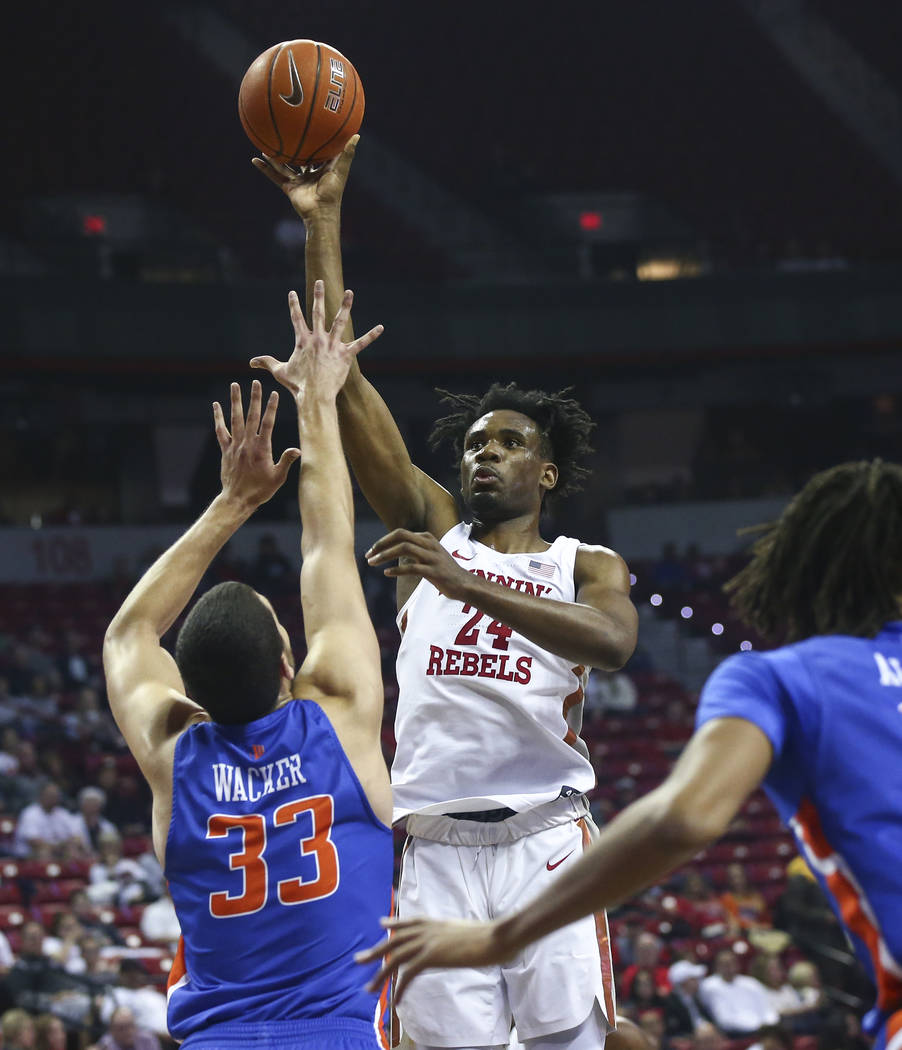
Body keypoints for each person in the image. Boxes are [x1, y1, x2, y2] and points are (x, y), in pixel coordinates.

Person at [255, 138, 638, 1049]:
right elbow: (340, 381)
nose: (483, 452)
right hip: (432, 851)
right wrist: (323, 221)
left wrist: (467, 582)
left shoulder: (586, 564)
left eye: (508, 443)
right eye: (473, 441)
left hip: (548, 843)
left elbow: (611, 644)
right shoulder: (433, 525)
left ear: (546, 472)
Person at [359, 460, 902, 1050]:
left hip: (539, 829)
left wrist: (501, 937)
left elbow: (683, 817)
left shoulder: (784, 679)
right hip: (446, 833)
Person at [102, 284, 392, 1049]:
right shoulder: (341, 715)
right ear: (290, 663)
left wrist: (229, 504)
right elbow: (329, 546)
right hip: (344, 1033)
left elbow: (130, 632)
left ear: (188, 695)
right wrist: (317, 400)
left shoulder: (175, 756)